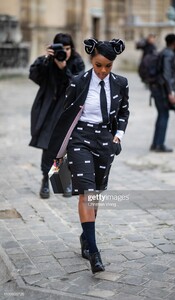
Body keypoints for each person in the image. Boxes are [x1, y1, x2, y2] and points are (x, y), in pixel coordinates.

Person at [48, 38, 129, 273]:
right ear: (91, 61)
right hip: (80, 138)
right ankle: (94, 252)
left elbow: (124, 111)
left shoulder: (121, 83)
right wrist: (59, 151)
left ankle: (86, 236)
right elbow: (65, 116)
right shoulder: (78, 82)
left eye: (108, 66)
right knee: (86, 191)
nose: (103, 71)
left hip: (105, 139)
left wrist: (118, 135)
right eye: (98, 65)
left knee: (96, 194)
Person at [29, 33, 85, 199]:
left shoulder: (77, 61)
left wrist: (64, 68)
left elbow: (78, 85)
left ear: (71, 48)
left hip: (68, 110)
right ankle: (46, 179)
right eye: (62, 49)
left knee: (67, 146)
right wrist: (45, 59)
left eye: (68, 49)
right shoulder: (48, 60)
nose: (65, 52)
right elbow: (34, 75)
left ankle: (64, 181)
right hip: (49, 109)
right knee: (48, 145)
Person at [150, 33, 175, 152]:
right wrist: (171, 93)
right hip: (162, 90)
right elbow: (167, 75)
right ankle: (160, 145)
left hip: (157, 88)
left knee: (161, 114)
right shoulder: (168, 54)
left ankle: (155, 144)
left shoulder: (163, 52)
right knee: (164, 115)